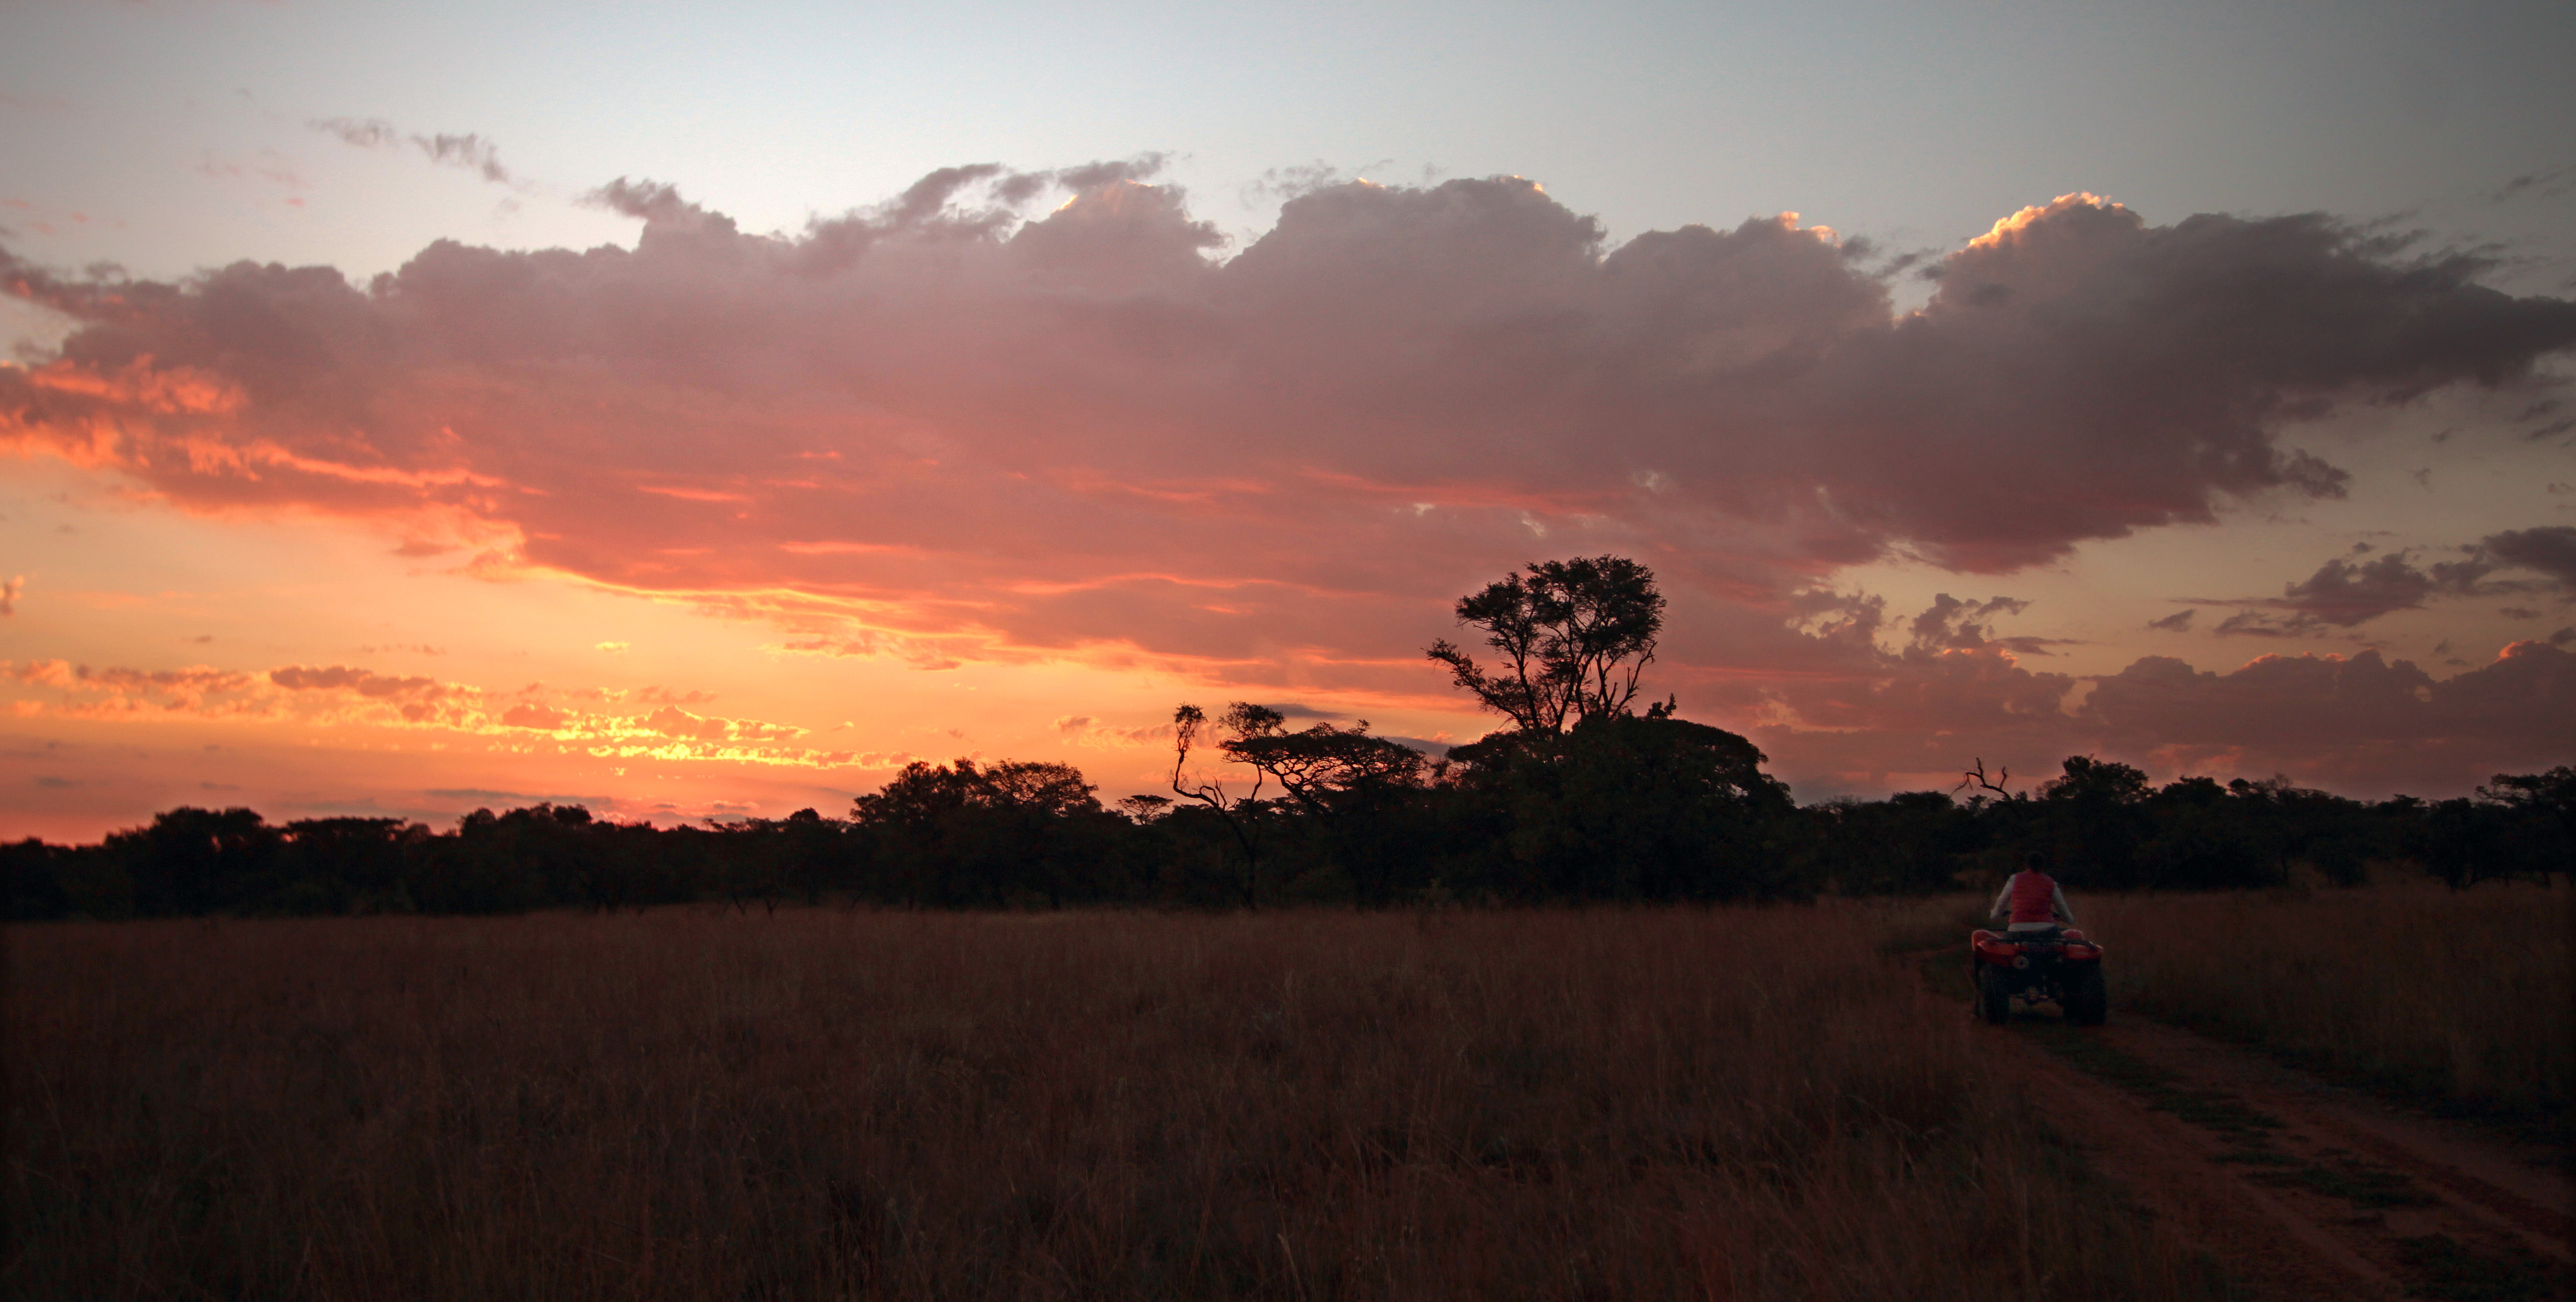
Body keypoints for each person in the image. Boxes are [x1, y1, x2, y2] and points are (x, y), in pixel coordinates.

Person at [1990, 850, 2075, 936]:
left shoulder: (2015, 879)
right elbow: (2062, 907)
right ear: (2043, 866)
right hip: (2046, 931)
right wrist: (2068, 919)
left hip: (2017, 930)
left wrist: (1994, 915)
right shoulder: (2051, 883)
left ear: (2026, 865)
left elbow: (2001, 901)